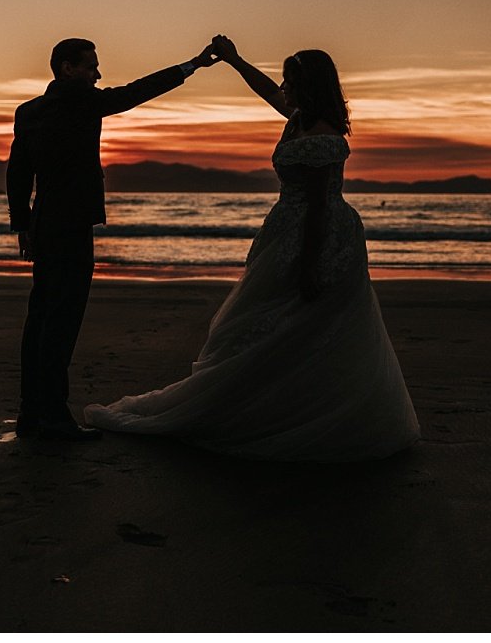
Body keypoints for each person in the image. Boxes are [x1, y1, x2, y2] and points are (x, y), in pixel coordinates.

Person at [84, 36, 420, 461]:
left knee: (314, 324)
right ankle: (272, 404)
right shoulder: (298, 118)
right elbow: (268, 92)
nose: (284, 87)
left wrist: (310, 264)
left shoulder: (322, 136)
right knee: (270, 325)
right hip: (286, 230)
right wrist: (235, 61)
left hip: (321, 235)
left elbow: (318, 209)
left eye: (291, 81)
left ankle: (303, 413)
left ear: (309, 85)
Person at [7, 38, 219, 440]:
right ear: (67, 69)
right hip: (71, 226)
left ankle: (30, 413)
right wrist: (191, 65)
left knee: (40, 319)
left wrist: (22, 226)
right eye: (91, 67)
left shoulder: (28, 111)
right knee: (62, 322)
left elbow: (18, 173)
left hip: (45, 223)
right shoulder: (79, 100)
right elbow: (134, 93)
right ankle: (52, 417)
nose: (98, 75)